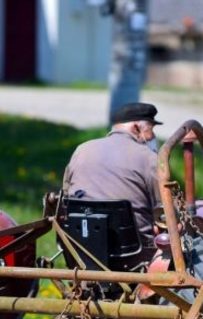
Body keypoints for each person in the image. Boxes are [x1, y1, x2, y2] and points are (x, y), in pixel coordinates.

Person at [62, 102, 162, 267]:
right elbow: (164, 210)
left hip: (82, 250)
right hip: (135, 257)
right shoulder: (149, 158)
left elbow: (66, 197)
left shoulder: (81, 150)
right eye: (150, 130)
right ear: (136, 128)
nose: (152, 137)